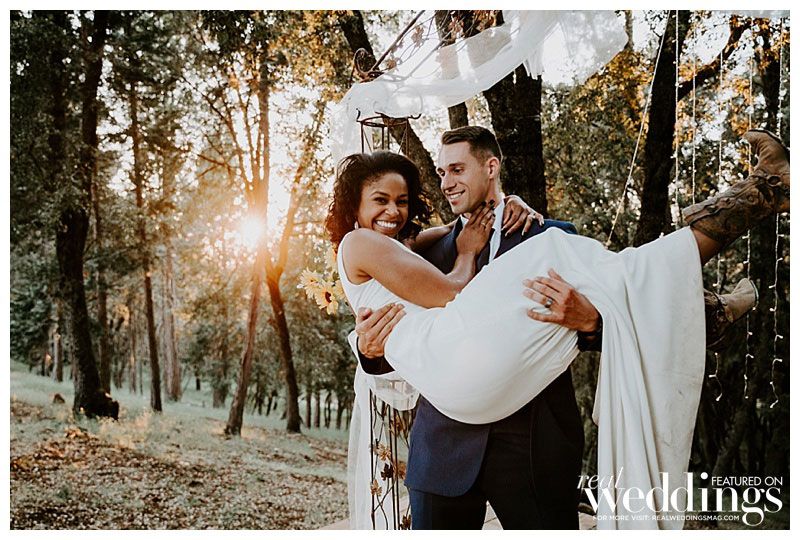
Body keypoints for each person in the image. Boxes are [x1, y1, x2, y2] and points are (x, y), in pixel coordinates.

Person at [327, 128, 787, 529]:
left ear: (491, 168)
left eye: (457, 170)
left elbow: (605, 318)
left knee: (608, 275)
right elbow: (399, 330)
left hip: (533, 449)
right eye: (442, 173)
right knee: (609, 270)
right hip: (446, 448)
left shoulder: (537, 231)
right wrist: (368, 351)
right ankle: (727, 265)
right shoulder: (426, 252)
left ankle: (726, 267)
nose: (446, 183)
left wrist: (590, 320)